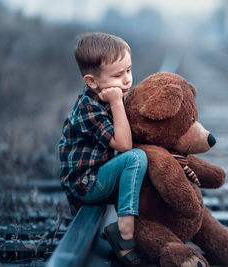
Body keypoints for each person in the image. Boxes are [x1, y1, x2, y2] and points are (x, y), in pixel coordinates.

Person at [58, 32, 147, 265]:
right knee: (136, 159)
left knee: (147, 165)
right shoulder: (90, 108)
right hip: (85, 183)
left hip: (99, 172)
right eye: (118, 75)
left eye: (128, 70)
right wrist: (118, 103)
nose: (127, 80)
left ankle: (151, 229)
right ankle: (124, 233)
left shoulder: (111, 95)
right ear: (92, 82)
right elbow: (126, 147)